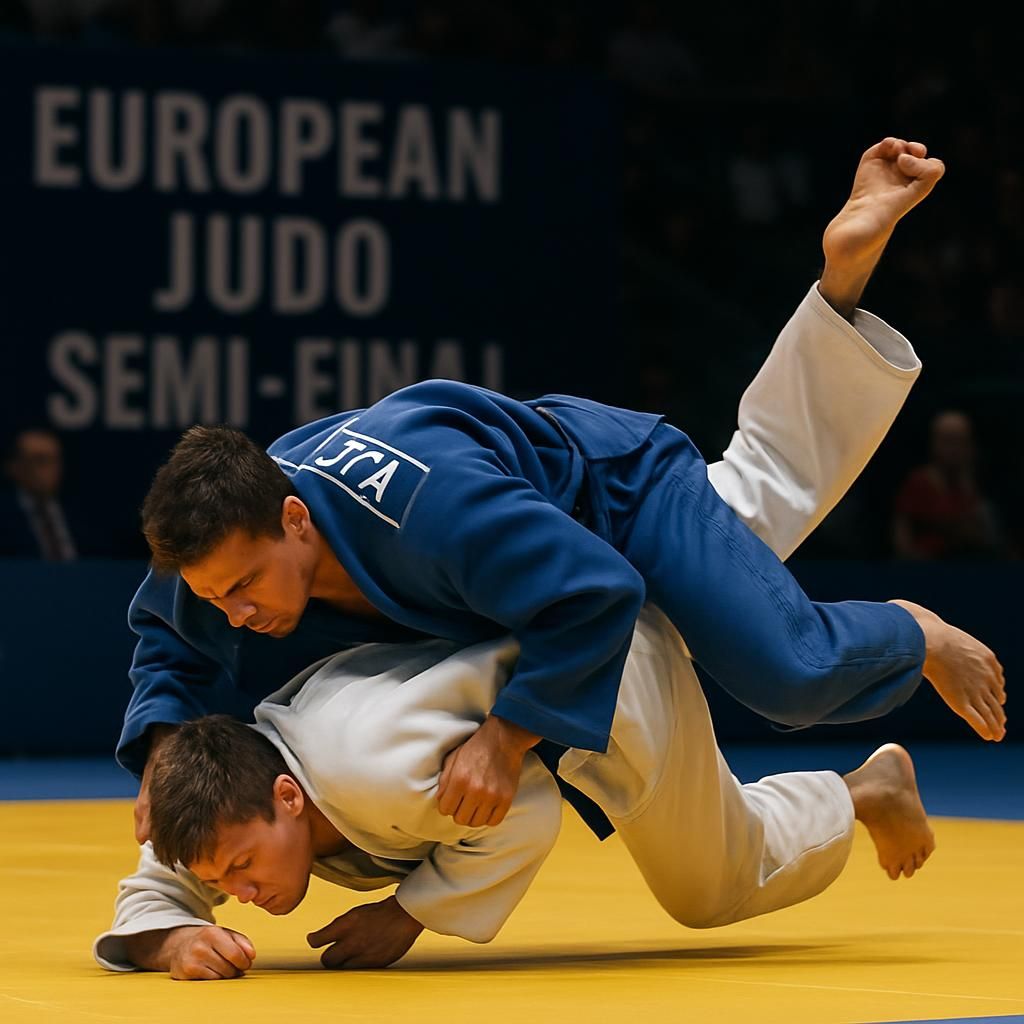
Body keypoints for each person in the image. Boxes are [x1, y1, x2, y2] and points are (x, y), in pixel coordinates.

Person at [122, 138, 1003, 850]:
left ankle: (911, 631)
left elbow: (597, 590)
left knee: (789, 672)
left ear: (295, 518)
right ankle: (839, 285)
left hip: (621, 498)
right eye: (219, 596)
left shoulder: (430, 510)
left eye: (243, 588)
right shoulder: (227, 520)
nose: (233, 612)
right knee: (761, 486)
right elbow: (172, 630)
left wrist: (507, 737)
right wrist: (164, 755)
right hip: (530, 540)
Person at [892, 409, 1004, 559]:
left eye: (960, 441)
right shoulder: (918, 483)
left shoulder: (978, 484)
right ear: (934, 443)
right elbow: (902, 534)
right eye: (948, 441)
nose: (954, 449)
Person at [0, 427, 79, 560]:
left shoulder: (83, 515)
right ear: (14, 467)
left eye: (55, 460)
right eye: (40, 460)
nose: (50, 468)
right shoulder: (4, 516)